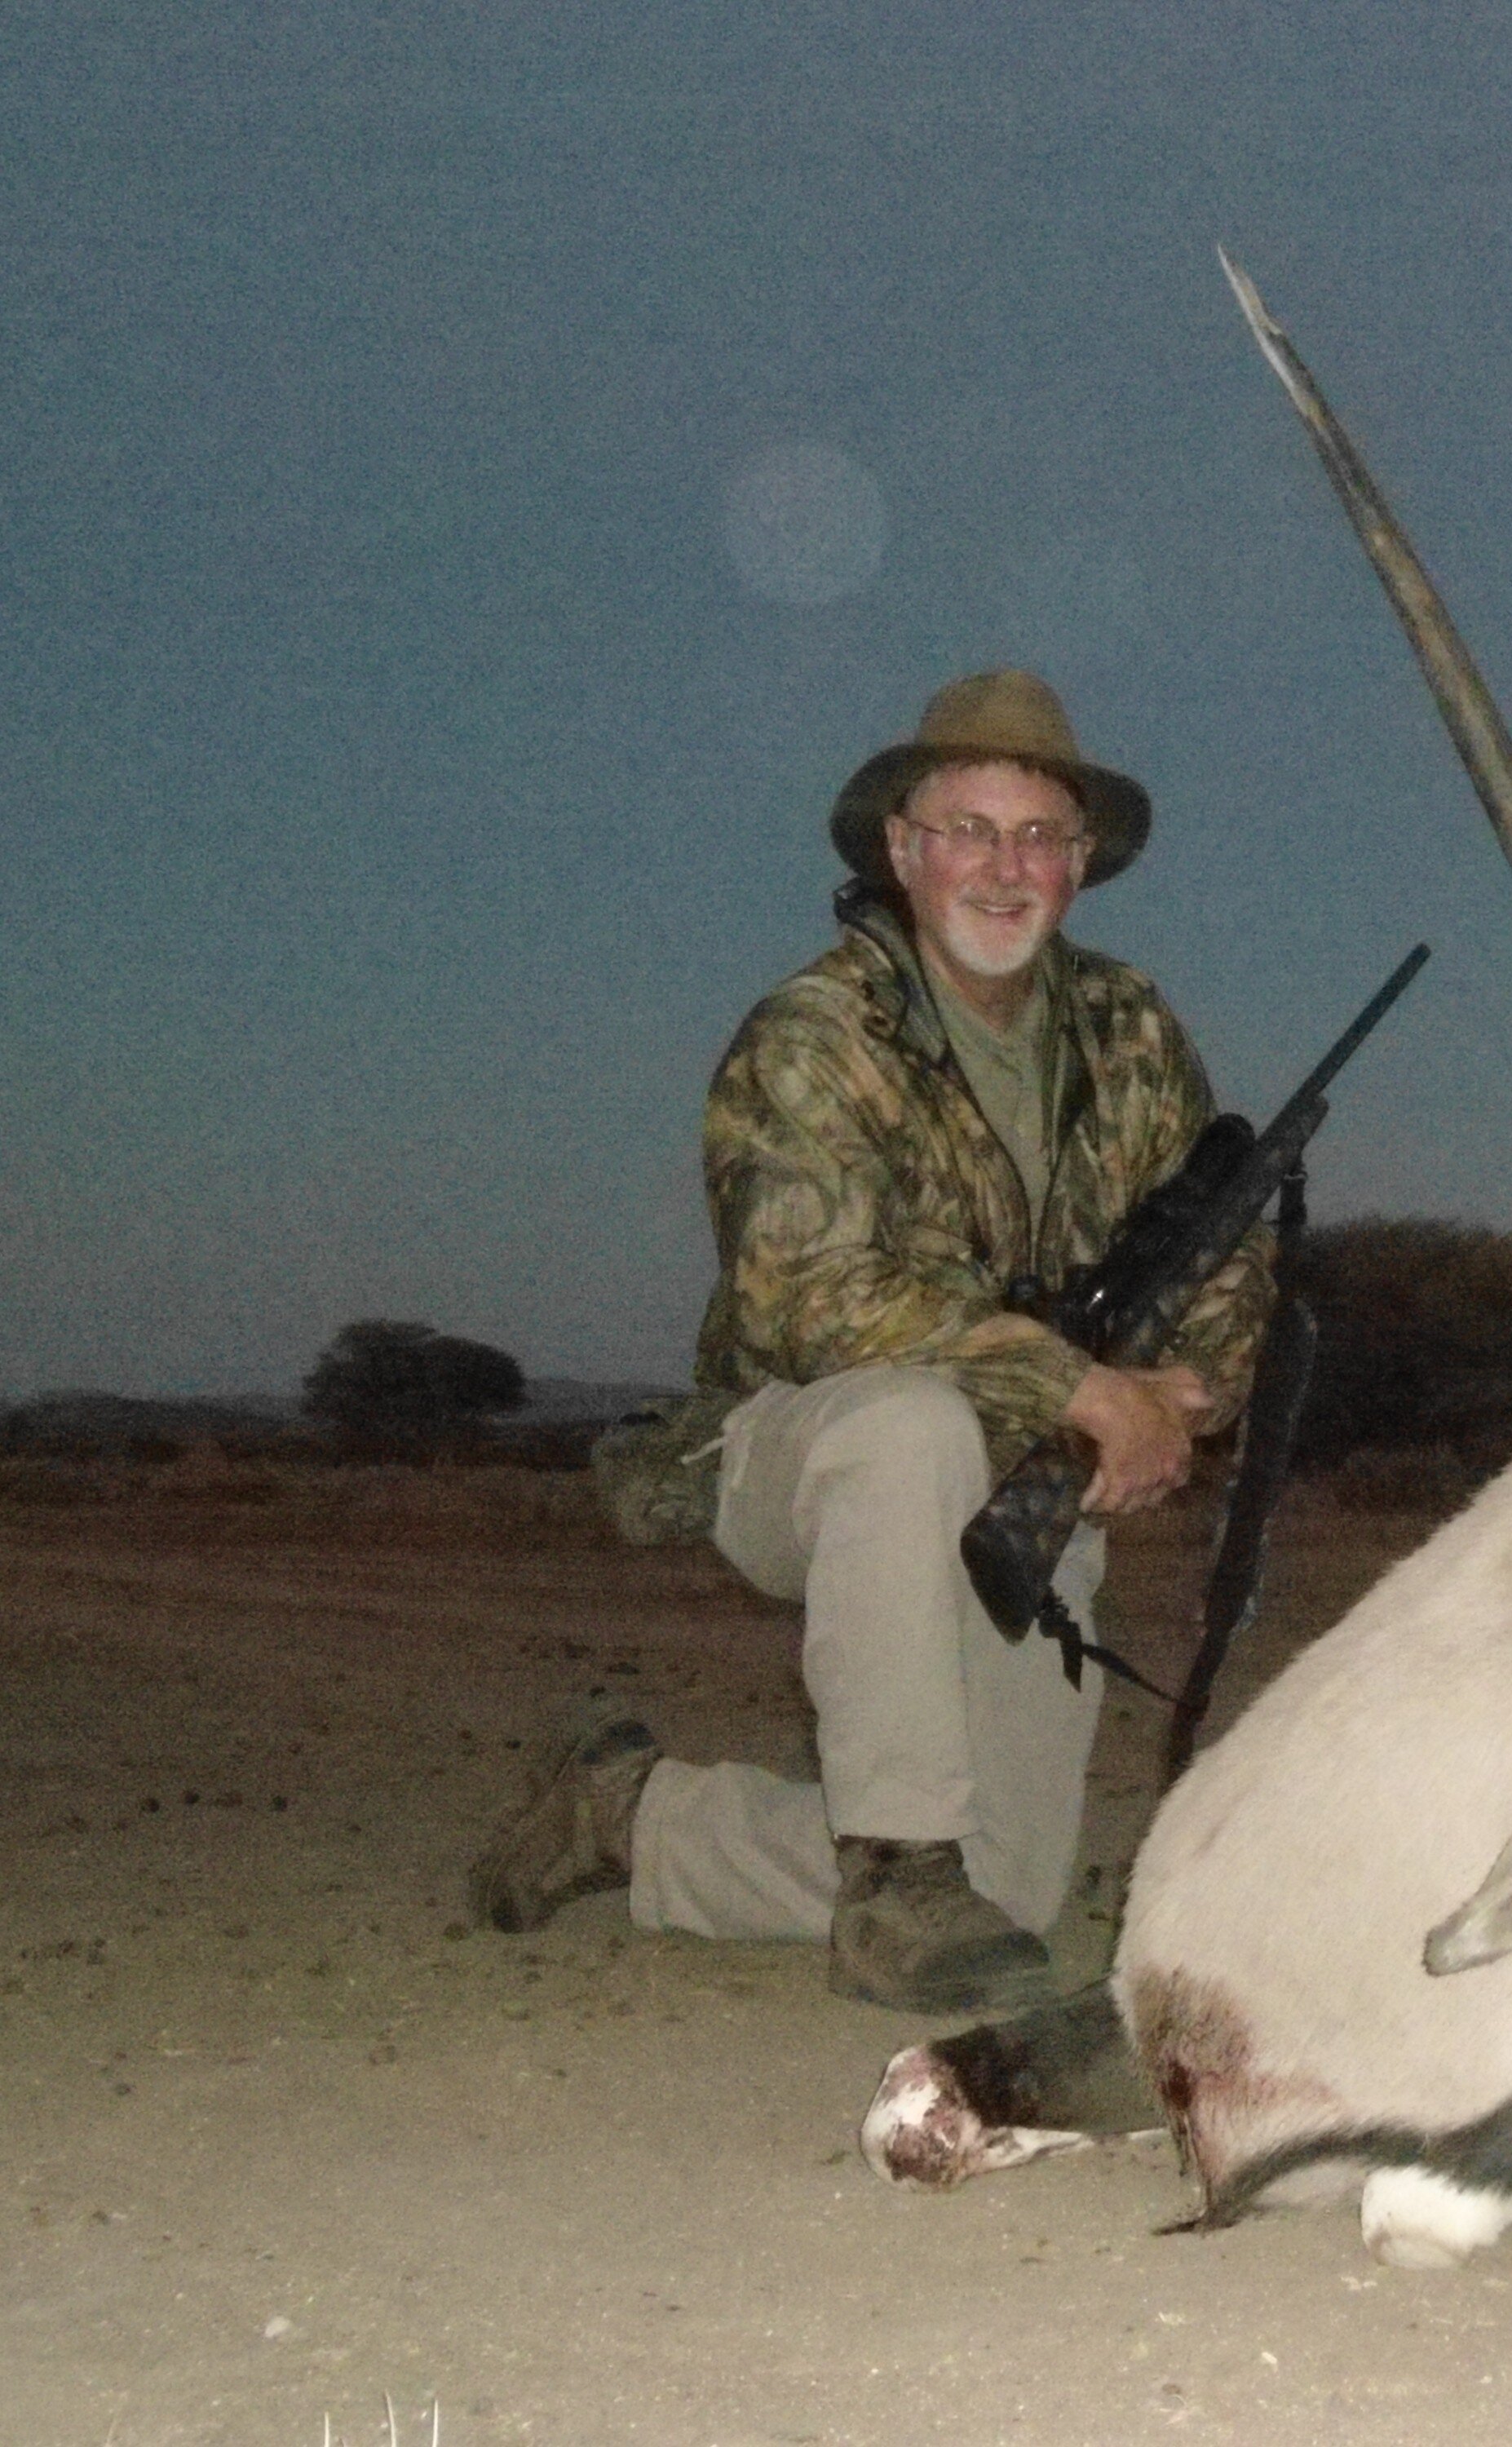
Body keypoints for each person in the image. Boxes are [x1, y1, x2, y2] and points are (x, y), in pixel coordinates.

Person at [467, 670, 1272, 2012]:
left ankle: (631, 1817)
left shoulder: (1133, 1030)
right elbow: (809, 1297)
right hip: (808, 1449)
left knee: (1007, 1891)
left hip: (1034, 1473)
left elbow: (1222, 1243)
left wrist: (1180, 1395)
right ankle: (896, 1872)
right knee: (911, 1420)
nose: (1003, 868)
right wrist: (1080, 1383)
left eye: (1038, 839)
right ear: (904, 851)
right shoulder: (815, 1033)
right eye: (968, 829)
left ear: (1080, 866)